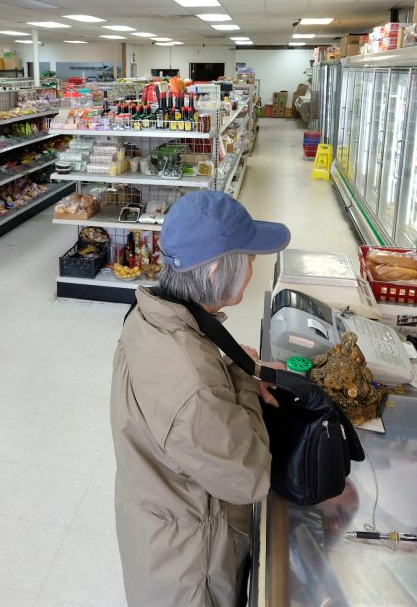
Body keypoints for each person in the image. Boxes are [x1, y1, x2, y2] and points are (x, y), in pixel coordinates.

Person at [111, 191, 291, 607]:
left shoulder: (150, 316)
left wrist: (232, 368)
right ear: (214, 271)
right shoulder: (192, 385)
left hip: (154, 526)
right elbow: (248, 476)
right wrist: (246, 385)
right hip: (192, 571)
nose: (252, 267)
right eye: (248, 259)